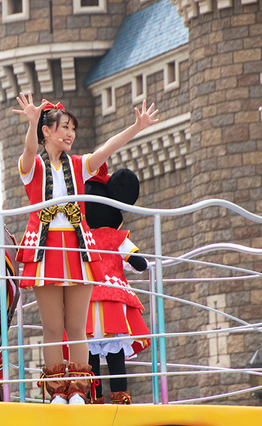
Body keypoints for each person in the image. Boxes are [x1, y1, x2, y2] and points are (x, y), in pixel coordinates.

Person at [13, 92, 158, 404]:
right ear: (47, 131)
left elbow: (107, 149)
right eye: (64, 127)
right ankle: (55, 392)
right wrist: (32, 122)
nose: (70, 133)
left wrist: (137, 127)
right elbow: (27, 151)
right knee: (53, 328)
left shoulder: (79, 166)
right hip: (45, 248)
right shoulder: (33, 168)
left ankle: (79, 390)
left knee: (78, 327)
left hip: (78, 248)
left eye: (72, 128)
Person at [84, 168, 151, 405]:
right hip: (114, 301)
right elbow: (139, 264)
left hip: (86, 301)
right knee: (115, 353)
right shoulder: (117, 238)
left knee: (90, 356)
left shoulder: (81, 238)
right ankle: (120, 396)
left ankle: (94, 397)